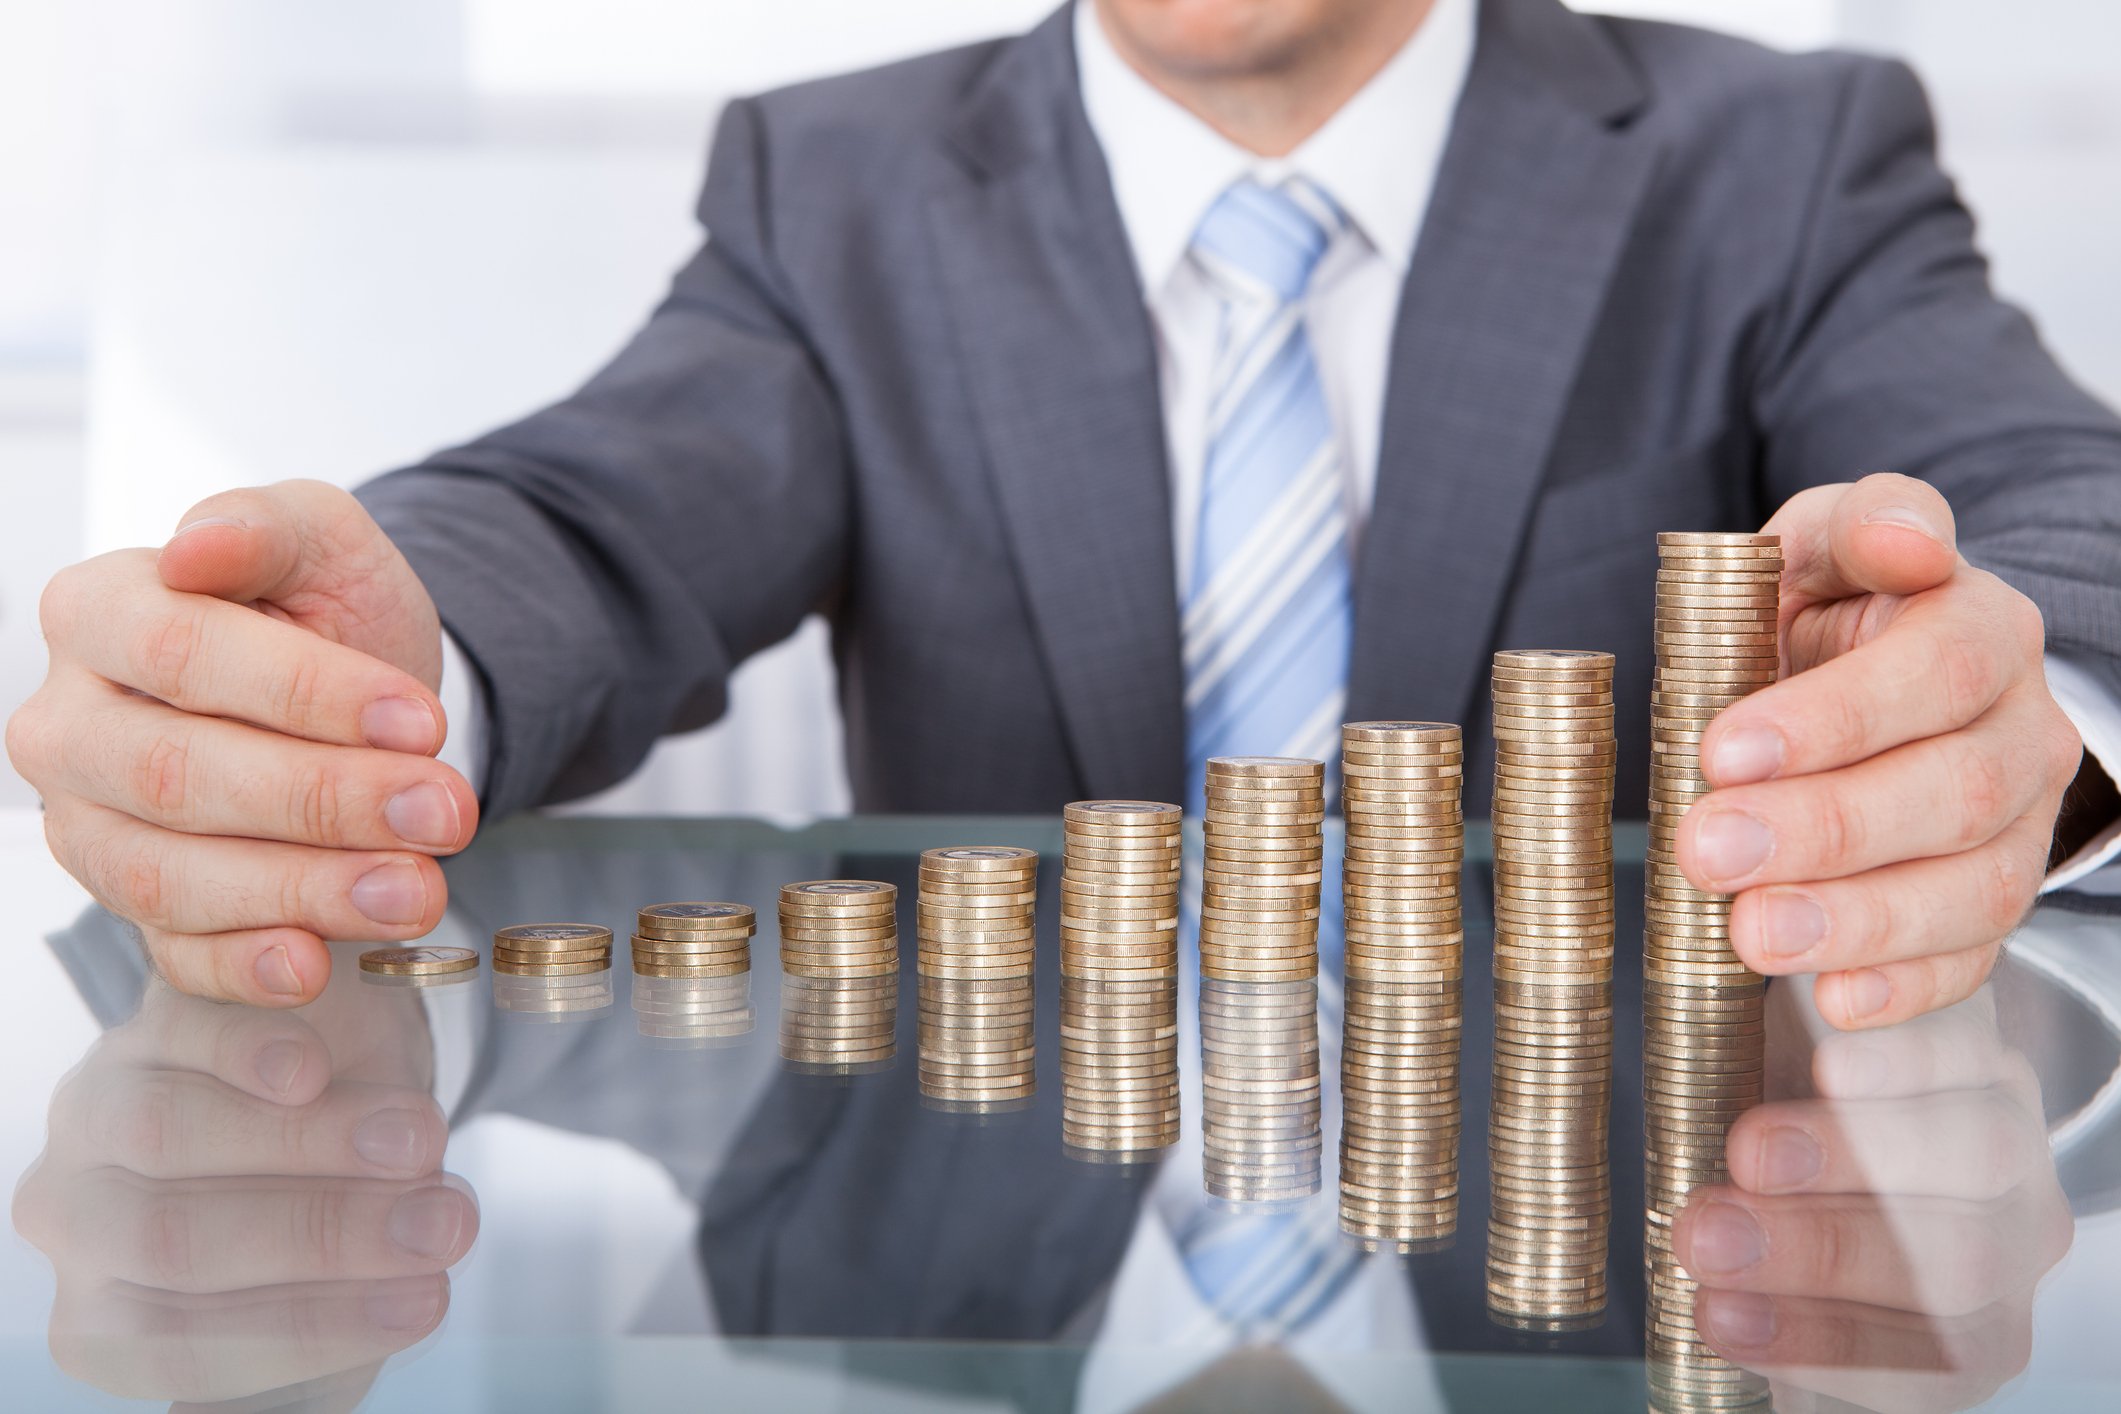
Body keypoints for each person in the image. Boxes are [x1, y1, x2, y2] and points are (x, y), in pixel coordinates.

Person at [9, 0, 2121, 1017]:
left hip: (1601, 1261)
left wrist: (2028, 714)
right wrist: (387, 685)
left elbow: (2052, 500)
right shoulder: (824, 185)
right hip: (981, 1241)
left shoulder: (1783, 155)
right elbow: (592, 514)